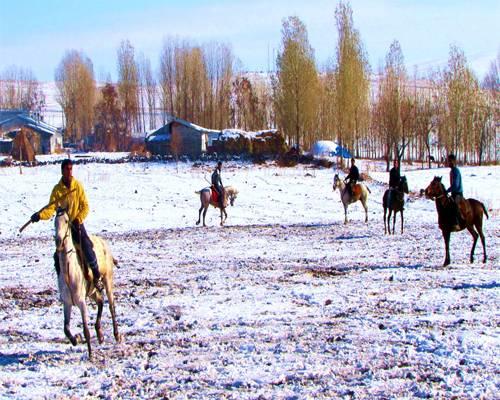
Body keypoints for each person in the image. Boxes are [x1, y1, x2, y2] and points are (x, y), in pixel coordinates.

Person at [30, 159, 103, 291]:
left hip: (76, 224)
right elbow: (51, 208)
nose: (69, 172)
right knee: (56, 256)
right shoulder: (57, 190)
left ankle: (97, 275)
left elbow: (85, 206)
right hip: (63, 227)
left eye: (71, 169)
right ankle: (62, 283)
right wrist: (39, 216)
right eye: (67, 169)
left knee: (86, 246)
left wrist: (78, 218)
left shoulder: (77, 186)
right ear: (62, 171)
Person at [446, 154, 465, 229]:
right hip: (453, 193)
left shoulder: (456, 171)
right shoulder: (452, 171)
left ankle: (456, 223)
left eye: (449, 161)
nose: (448, 163)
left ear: (453, 161)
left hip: (458, 194)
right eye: (448, 161)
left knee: (454, 205)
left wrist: (447, 190)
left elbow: (456, 185)